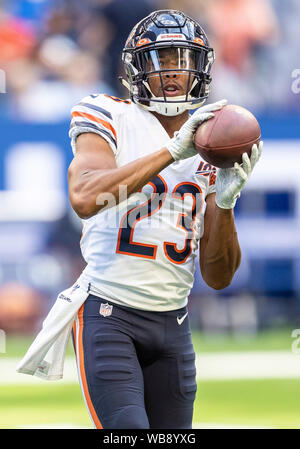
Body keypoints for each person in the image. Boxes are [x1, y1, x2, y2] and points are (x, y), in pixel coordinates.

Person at [67, 9, 262, 429]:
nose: (171, 72)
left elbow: (219, 277)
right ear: (136, 70)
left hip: (174, 324)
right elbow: (85, 197)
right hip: (108, 315)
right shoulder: (108, 115)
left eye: (182, 59)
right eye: (159, 60)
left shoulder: (214, 138)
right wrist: (173, 152)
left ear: (202, 68)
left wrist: (223, 204)